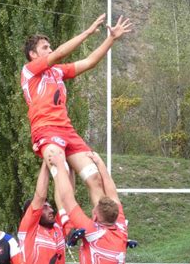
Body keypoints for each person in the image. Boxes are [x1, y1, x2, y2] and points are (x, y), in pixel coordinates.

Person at [21, 14, 132, 207]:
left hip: (67, 131)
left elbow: (89, 62)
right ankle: (67, 228)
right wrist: (88, 32)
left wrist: (111, 38)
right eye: (45, 47)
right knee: (63, 176)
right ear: (33, 54)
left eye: (50, 46)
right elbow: (59, 55)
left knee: (95, 177)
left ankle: (101, 229)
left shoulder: (58, 72)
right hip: (46, 129)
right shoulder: (29, 71)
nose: (51, 50)